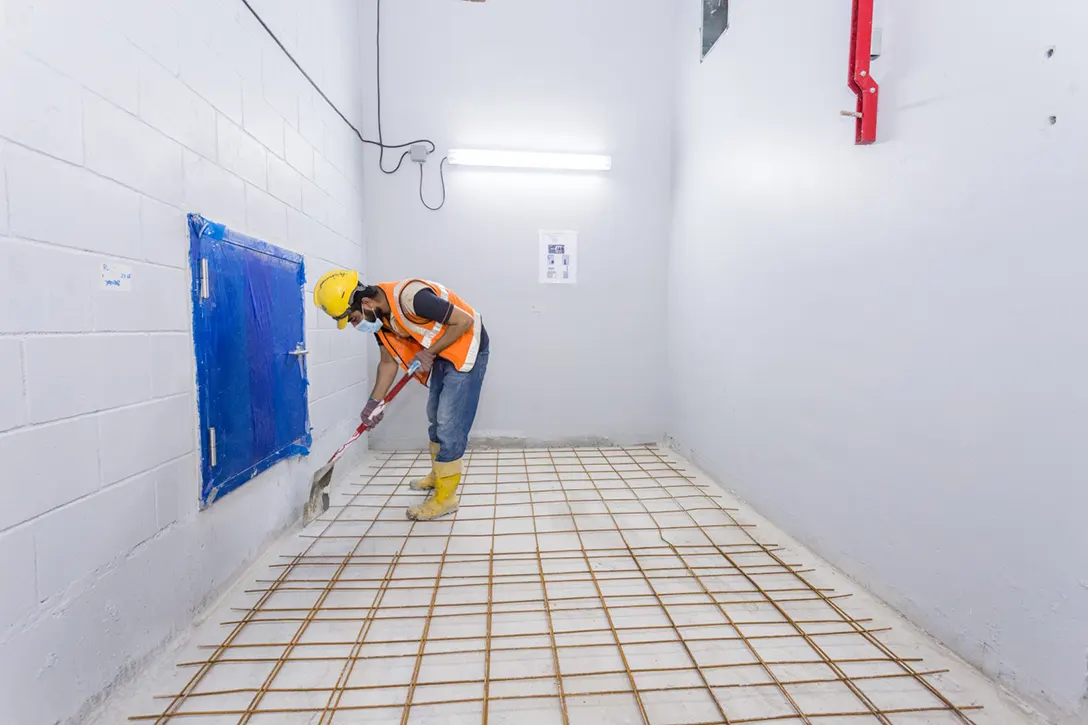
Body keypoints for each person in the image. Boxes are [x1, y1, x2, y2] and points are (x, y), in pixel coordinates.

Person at [313, 270, 489, 520]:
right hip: (442, 351)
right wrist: (374, 402)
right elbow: (387, 363)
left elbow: (464, 322)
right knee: (435, 416)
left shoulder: (412, 298)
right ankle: (439, 474)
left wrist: (430, 352)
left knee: (450, 423)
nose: (355, 325)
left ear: (365, 303)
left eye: (352, 318)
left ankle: (446, 498)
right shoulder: (379, 319)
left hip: (467, 345)